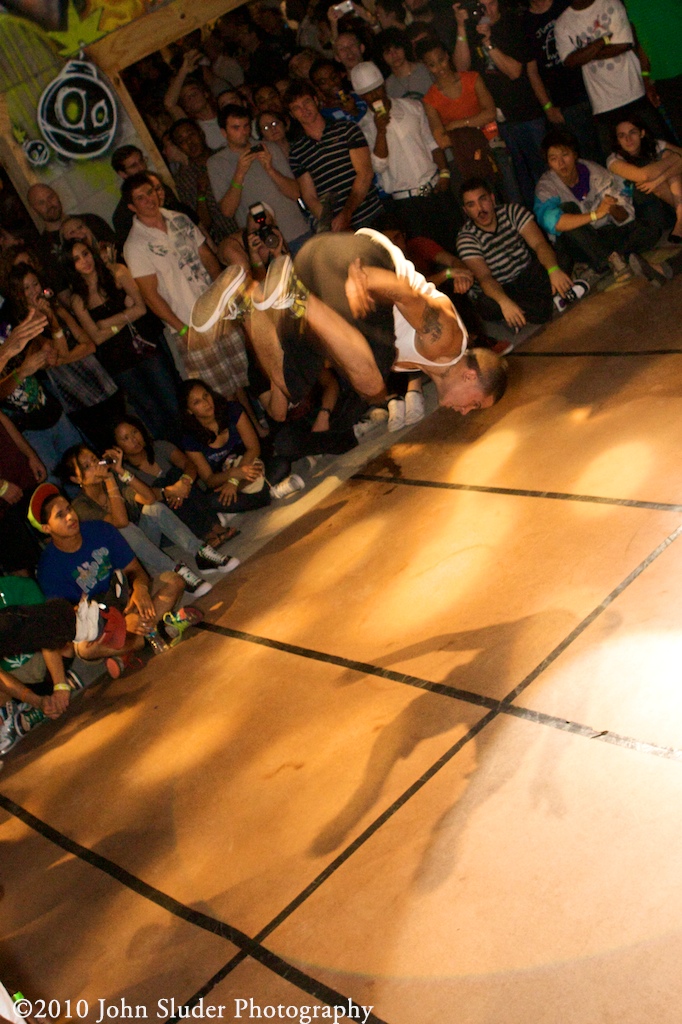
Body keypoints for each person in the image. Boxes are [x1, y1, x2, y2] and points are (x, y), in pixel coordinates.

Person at [190, 230, 508, 415]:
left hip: (332, 286)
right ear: (470, 376)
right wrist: (363, 277)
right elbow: (406, 295)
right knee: (373, 384)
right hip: (355, 261)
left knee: (289, 386)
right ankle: (294, 294)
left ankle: (246, 296)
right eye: (475, 404)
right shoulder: (448, 341)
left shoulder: (428, 363)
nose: (465, 412)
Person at [33, 483, 198, 668]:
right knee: (85, 649)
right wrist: (121, 623)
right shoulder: (49, 569)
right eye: (60, 515)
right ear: (47, 528)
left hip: (127, 598)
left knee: (174, 581)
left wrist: (140, 588)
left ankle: (129, 647)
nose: (70, 517)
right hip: (99, 619)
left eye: (69, 509)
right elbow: (74, 618)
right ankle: (155, 632)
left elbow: (135, 570)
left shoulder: (100, 529)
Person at [121, 171, 248, 403]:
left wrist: (225, 296)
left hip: (217, 310)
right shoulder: (135, 245)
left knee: (241, 376)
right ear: (132, 207)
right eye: (140, 198)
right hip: (190, 322)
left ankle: (255, 421)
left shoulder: (179, 219)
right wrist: (182, 330)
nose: (149, 199)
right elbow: (150, 295)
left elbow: (207, 257)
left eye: (150, 192)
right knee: (219, 392)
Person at [60, 443, 238, 590]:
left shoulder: (112, 481)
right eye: (86, 467)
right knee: (125, 529)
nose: (95, 467)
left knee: (153, 509)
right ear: (76, 479)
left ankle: (200, 553)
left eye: (94, 460)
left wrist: (121, 471)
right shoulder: (80, 507)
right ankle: (175, 571)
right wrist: (109, 479)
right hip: (125, 564)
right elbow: (120, 522)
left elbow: (149, 498)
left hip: (142, 546)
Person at [63, 239, 182, 442]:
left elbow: (141, 308)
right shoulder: (78, 299)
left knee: (172, 399)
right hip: (118, 362)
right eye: (77, 259)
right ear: (71, 266)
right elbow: (96, 338)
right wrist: (124, 318)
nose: (84, 261)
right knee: (150, 411)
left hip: (143, 347)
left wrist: (106, 323)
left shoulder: (117, 272)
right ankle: (174, 451)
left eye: (85, 253)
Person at [6, 260, 124, 452]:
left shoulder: (58, 308)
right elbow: (58, 353)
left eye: (35, 284)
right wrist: (52, 320)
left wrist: (65, 357)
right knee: (104, 446)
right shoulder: (26, 326)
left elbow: (88, 345)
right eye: (26, 288)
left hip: (97, 379)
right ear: (18, 294)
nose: (34, 291)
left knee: (124, 430)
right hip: (74, 392)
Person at [534, 128, 671, 283]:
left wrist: (612, 208)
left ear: (575, 154)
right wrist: (595, 214)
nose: (560, 163)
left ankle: (610, 260)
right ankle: (609, 260)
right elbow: (552, 222)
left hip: (603, 233)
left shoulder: (595, 172)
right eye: (553, 159)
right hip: (577, 242)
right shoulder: (546, 187)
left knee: (649, 231)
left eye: (565, 155)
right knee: (567, 210)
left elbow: (625, 216)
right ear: (548, 163)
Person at [350, 61, 458, 249]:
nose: (375, 96)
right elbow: (379, 166)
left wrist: (444, 173)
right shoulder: (364, 128)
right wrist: (380, 131)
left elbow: (432, 143)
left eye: (377, 89)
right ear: (361, 97)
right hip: (407, 203)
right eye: (368, 94)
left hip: (436, 188)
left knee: (457, 241)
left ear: (384, 85)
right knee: (425, 254)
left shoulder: (412, 107)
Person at [453, 0, 547, 208]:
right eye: (481, 5)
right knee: (517, 179)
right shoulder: (470, 30)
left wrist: (489, 42)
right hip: (498, 120)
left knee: (543, 170)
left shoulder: (513, 24)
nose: (487, 10)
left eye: (492, 3)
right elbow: (461, 68)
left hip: (527, 113)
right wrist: (460, 27)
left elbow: (514, 72)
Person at [553, 0, 670, 155]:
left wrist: (584, 54)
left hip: (634, 91)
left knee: (662, 149)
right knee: (615, 159)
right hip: (602, 102)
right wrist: (602, 41)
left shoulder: (611, 3)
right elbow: (569, 61)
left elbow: (623, 44)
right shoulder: (562, 23)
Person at [457, 176, 575, 329]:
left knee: (561, 258)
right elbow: (485, 277)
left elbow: (539, 244)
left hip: (527, 274)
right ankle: (547, 300)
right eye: (471, 205)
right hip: (502, 287)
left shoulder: (512, 211)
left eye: (483, 200)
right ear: (466, 211)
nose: (480, 209)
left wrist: (553, 270)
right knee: (487, 305)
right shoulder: (466, 237)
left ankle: (532, 308)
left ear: (492, 198)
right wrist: (504, 302)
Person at [112, 415, 240, 548]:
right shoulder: (122, 473)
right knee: (161, 484)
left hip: (190, 502)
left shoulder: (159, 447)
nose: (134, 439)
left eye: (135, 432)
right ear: (117, 447)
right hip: (166, 526)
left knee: (177, 475)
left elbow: (189, 464)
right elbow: (146, 498)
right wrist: (170, 491)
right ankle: (206, 534)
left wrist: (184, 482)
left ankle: (215, 527)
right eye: (126, 438)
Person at [181, 379, 299, 511]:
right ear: (189, 410)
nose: (206, 403)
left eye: (206, 395)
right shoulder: (190, 439)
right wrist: (233, 474)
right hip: (225, 479)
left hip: (253, 466)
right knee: (212, 501)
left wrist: (235, 481)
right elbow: (209, 479)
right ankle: (268, 493)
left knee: (282, 464)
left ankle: (255, 498)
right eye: (197, 402)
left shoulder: (232, 409)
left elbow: (254, 448)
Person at [207, 104, 310, 254]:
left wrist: (270, 169)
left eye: (246, 126)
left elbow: (295, 193)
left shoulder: (269, 148)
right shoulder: (217, 163)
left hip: (297, 232)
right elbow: (227, 211)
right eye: (236, 128)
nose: (243, 132)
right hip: (264, 246)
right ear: (224, 132)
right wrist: (239, 173)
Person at [284, 80, 384, 232]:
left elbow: (365, 173)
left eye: (306, 102)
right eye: (296, 108)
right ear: (292, 115)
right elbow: (310, 197)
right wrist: (331, 223)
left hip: (370, 214)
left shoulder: (347, 129)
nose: (304, 110)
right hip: (338, 228)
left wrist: (347, 213)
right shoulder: (297, 151)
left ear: (316, 101)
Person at [522, 0, 603, 164]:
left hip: (596, 88)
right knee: (587, 160)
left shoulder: (566, 4)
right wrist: (548, 107)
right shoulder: (525, 23)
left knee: (611, 148)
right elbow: (532, 71)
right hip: (566, 103)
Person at [416, 37, 498, 184]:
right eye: (432, 65)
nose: (440, 68)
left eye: (441, 60)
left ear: (447, 56)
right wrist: (475, 124)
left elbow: (491, 114)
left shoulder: (472, 78)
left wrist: (456, 125)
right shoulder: (430, 99)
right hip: (465, 159)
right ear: (426, 67)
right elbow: (442, 141)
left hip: (494, 146)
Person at [606, 119, 682, 244]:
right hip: (643, 208)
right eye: (622, 136)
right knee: (666, 160)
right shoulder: (613, 160)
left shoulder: (655, 145)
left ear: (642, 133)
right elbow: (643, 176)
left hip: (673, 197)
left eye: (632, 132)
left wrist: (658, 180)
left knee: (667, 157)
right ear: (617, 140)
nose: (628, 139)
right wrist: (675, 159)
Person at [0, 407, 45, 573]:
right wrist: (1, 487)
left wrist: (30, 455)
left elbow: (3, 419)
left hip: (21, 474)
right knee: (19, 563)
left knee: (54, 528)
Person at [164, 51, 225, 150]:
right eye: (187, 98)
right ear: (186, 107)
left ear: (205, 94)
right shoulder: (193, 127)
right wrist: (183, 71)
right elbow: (169, 104)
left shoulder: (225, 111)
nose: (192, 98)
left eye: (194, 93)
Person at [377, 28, 433, 101]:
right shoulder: (387, 87)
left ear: (404, 47)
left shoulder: (426, 69)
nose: (394, 55)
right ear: (382, 57)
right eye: (388, 52)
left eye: (397, 48)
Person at [310, 58, 368, 124]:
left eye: (334, 77)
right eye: (323, 82)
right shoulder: (324, 115)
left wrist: (355, 112)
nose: (332, 83)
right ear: (317, 88)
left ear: (340, 75)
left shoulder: (360, 97)